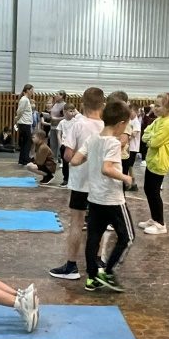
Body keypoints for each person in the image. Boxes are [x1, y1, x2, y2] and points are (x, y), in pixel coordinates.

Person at [69, 100, 135, 292]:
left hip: (95, 198)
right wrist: (126, 178)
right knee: (128, 237)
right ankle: (108, 272)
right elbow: (107, 169)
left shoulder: (93, 139)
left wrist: (93, 156)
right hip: (113, 199)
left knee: (93, 238)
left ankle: (92, 278)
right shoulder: (113, 142)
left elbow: (74, 160)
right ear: (121, 123)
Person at [49, 87, 105, 280]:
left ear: (82, 104)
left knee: (77, 222)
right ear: (102, 104)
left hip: (81, 182)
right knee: (98, 223)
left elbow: (68, 155)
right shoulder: (107, 126)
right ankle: (98, 262)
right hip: (101, 182)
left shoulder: (77, 125)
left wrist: (78, 157)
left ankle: (71, 266)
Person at [138, 93, 169, 235]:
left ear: (168, 107)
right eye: (154, 104)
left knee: (154, 192)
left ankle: (160, 224)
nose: (154, 108)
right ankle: (154, 218)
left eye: (158, 105)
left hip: (160, 162)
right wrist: (150, 138)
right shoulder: (159, 120)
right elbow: (145, 134)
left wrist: (150, 139)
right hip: (152, 161)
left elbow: (154, 142)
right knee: (148, 189)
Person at [56, 103, 77, 187]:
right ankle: (65, 179)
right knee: (65, 163)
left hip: (73, 145)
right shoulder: (62, 122)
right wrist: (60, 143)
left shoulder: (76, 121)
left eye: (73, 111)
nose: (72, 113)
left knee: (73, 163)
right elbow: (58, 133)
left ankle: (73, 179)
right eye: (70, 111)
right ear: (65, 111)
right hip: (64, 145)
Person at [15, 84, 35, 165]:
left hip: (25, 123)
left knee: (25, 142)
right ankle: (25, 159)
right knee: (27, 142)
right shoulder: (24, 100)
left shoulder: (26, 99)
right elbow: (20, 111)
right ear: (27, 90)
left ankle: (22, 159)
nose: (33, 92)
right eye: (32, 90)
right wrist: (17, 119)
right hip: (24, 123)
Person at [126, 104, 142, 191]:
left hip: (133, 147)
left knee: (130, 166)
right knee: (128, 166)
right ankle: (130, 183)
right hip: (128, 147)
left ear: (136, 112)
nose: (130, 113)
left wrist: (126, 137)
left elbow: (134, 134)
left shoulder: (136, 122)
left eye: (131, 111)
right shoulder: (129, 121)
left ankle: (133, 183)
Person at [49, 90, 68, 163]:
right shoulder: (55, 104)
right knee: (53, 143)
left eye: (58, 94)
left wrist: (56, 119)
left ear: (62, 96)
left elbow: (66, 116)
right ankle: (54, 159)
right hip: (53, 126)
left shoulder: (64, 105)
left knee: (60, 143)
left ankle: (61, 159)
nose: (56, 96)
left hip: (60, 127)